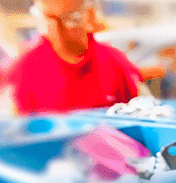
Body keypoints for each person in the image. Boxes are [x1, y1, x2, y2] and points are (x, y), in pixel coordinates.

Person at [1, 0, 144, 115]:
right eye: (48, 19)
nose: (57, 30)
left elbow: (142, 112)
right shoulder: (25, 68)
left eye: (69, 19)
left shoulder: (114, 62)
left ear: (88, 15)